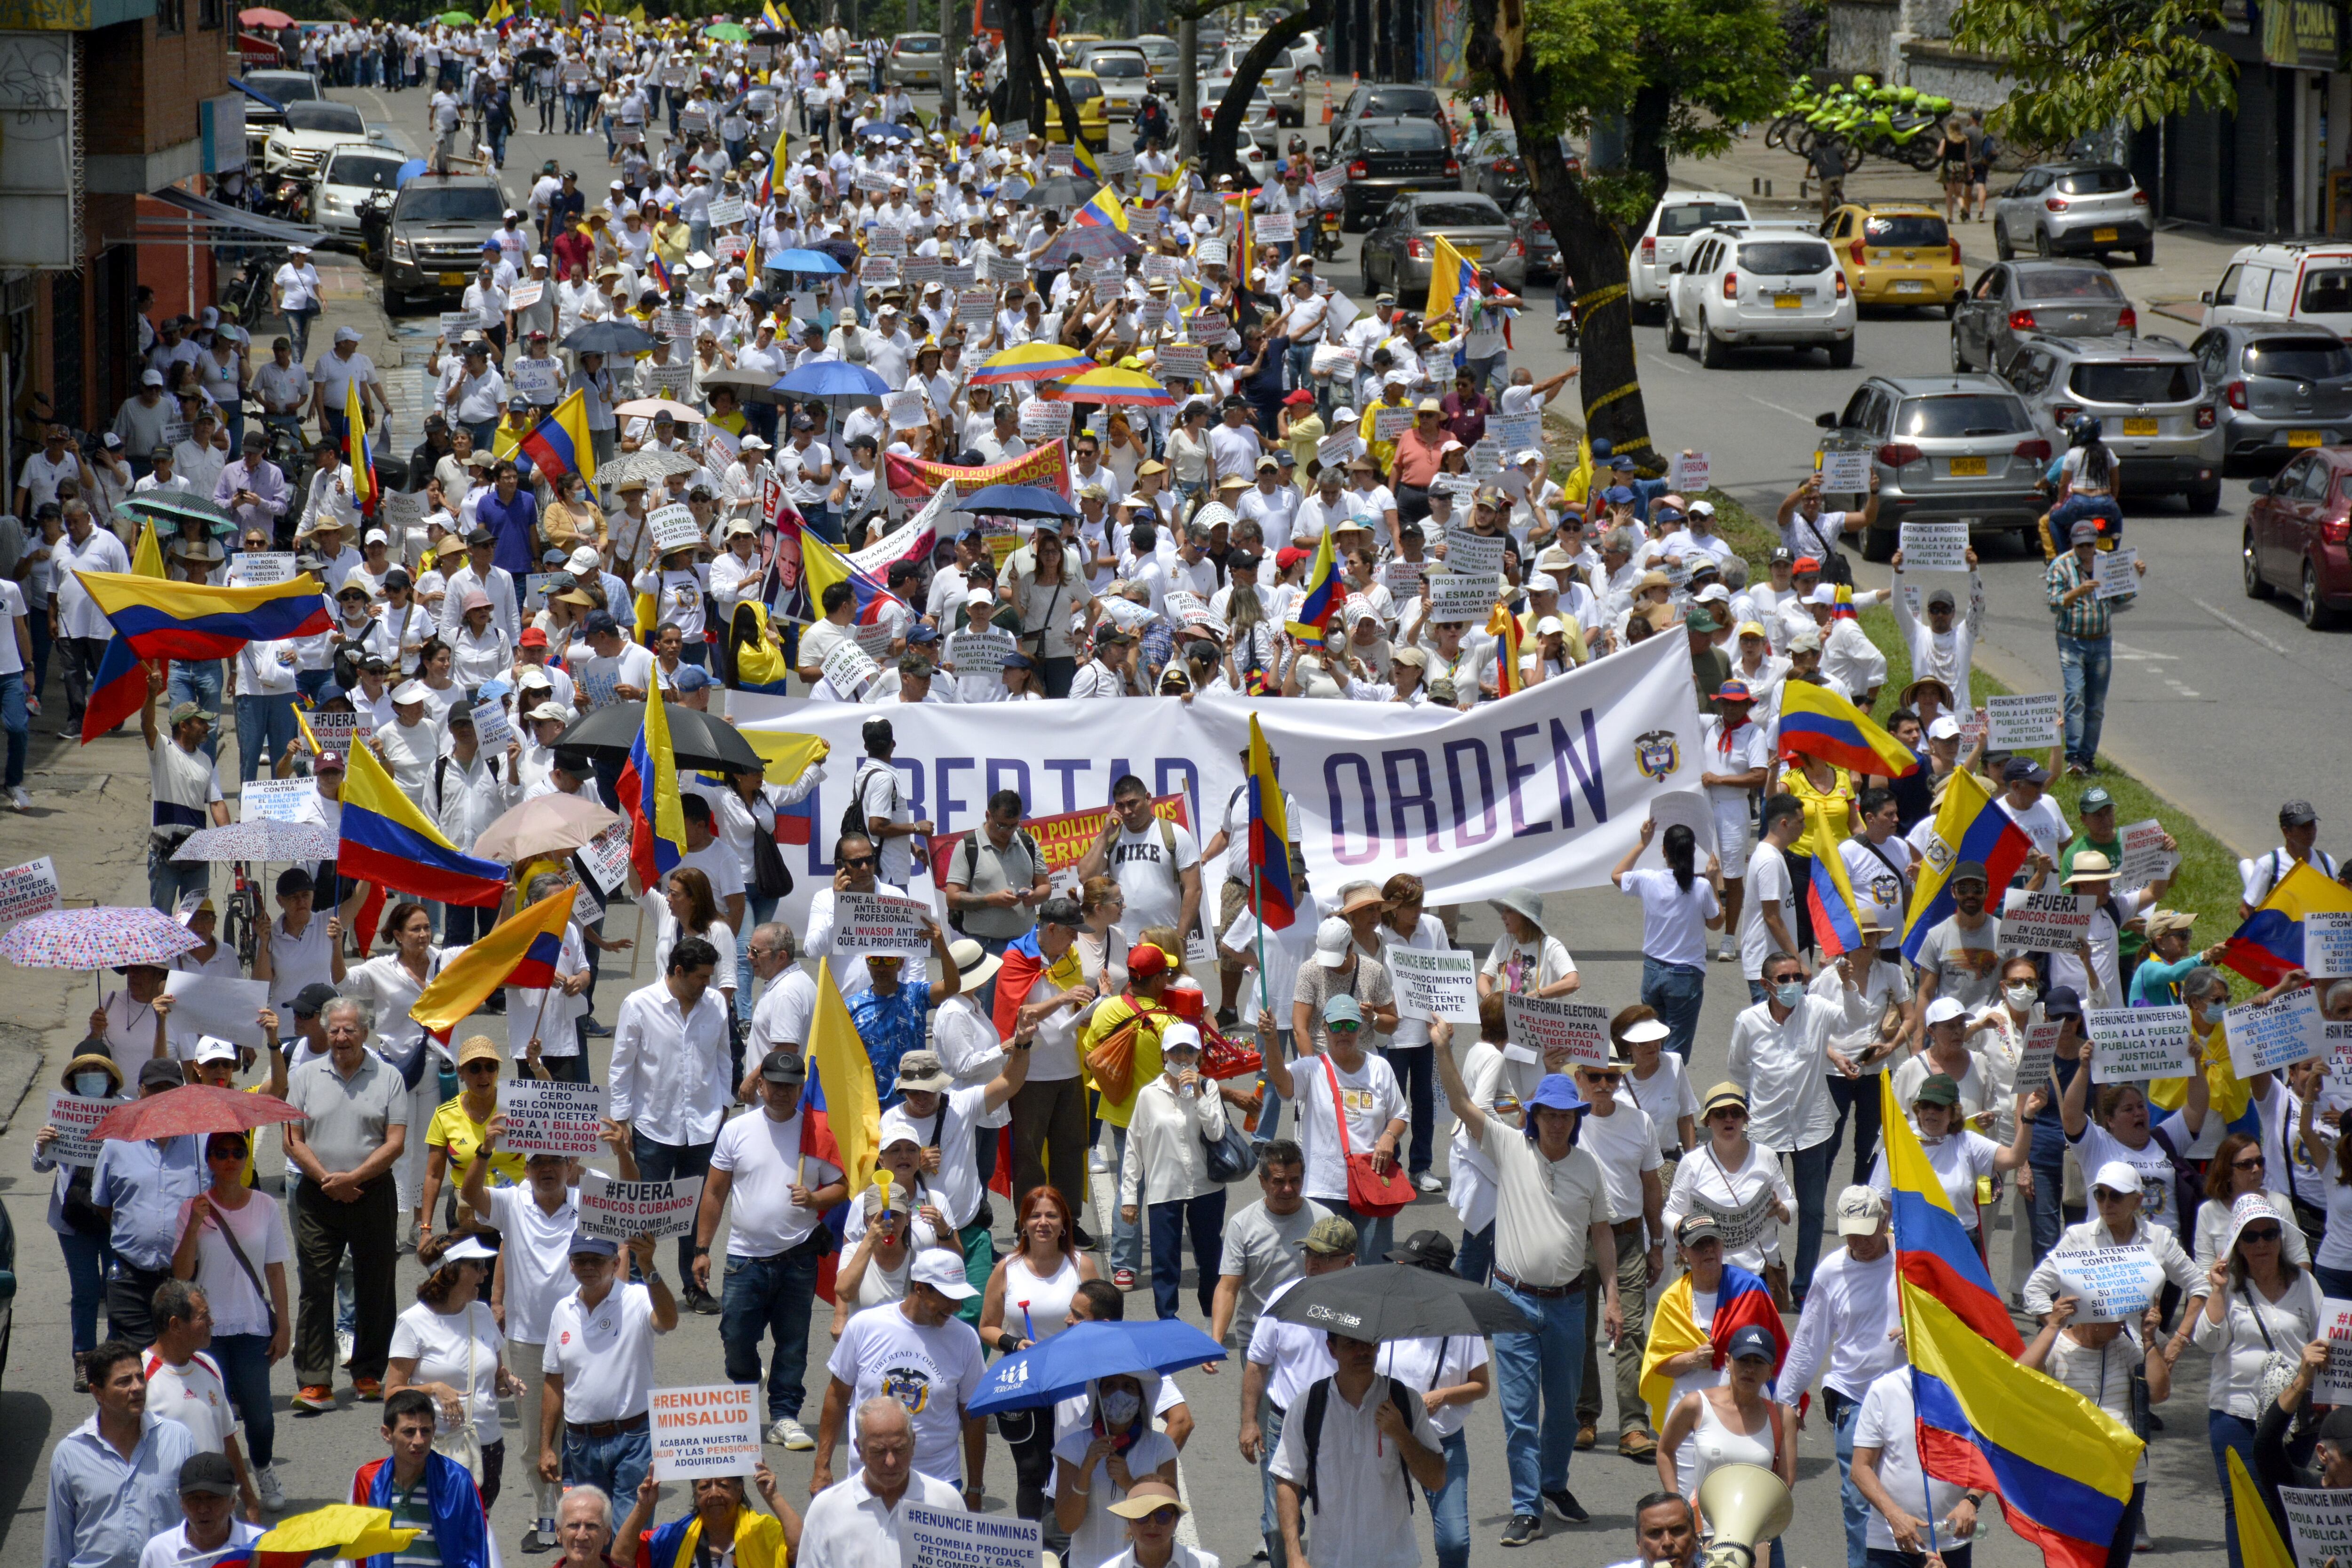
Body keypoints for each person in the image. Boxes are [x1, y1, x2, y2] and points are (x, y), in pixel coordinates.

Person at [1431, 1023, 1619, 1543]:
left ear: (1574, 1120)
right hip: (1512, 1301)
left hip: (1568, 1305)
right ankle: (1526, 1505)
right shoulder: (1509, 1147)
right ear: (1533, 1116)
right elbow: (1462, 1102)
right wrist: (1443, 1049)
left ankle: (1553, 1485)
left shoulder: (1588, 1167)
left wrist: (1613, 1297)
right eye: (1548, 1114)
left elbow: (1601, 1234)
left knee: (1560, 1411)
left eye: (1565, 1116)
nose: (1557, 1123)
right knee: (1518, 1415)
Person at [696, 1048, 848, 1454]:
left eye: (791, 1086)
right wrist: (702, 1248)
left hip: (798, 1256)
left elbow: (842, 1186)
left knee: (793, 1342)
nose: (782, 1092)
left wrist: (815, 1199)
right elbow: (714, 1191)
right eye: (775, 1084)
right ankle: (745, 1383)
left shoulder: (816, 1132)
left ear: (801, 1089)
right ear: (760, 1084)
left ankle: (784, 1414)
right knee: (735, 1337)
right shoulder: (737, 1130)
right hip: (745, 1258)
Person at [283, 994, 406, 1411]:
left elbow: (396, 1142)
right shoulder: (303, 1076)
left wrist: (354, 1178)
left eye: (349, 1029)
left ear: (365, 1032)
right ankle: (315, 1380)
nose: (340, 1037)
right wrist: (327, 1180)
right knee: (316, 1283)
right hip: (317, 1193)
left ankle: (369, 1371)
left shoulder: (388, 1077)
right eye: (333, 1029)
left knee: (376, 1281)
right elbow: (292, 1138)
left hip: (371, 1191)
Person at [2194, 1194, 2324, 1568]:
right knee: (2245, 1509)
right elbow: (2208, 1340)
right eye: (2250, 1237)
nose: (2262, 1243)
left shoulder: (2304, 1283)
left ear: (2282, 1238)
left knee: (2290, 1506)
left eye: (2269, 1234)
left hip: (2294, 1418)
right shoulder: (2229, 1285)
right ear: (2238, 1244)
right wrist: (2217, 1290)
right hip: (2236, 1415)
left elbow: (2325, 1340)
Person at [168, 1128, 289, 1514]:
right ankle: (225, 1485)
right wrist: (193, 1225)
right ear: (210, 1160)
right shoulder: (193, 1208)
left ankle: (265, 1466)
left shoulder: (266, 1205)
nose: (231, 1159)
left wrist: (284, 1325)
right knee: (212, 1413)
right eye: (222, 1153)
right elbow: (182, 1273)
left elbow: (275, 1269)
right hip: (208, 1331)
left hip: (252, 1324)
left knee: (260, 1414)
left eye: (239, 1151)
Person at [812, 1249, 988, 1505]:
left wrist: (975, 1488)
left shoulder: (965, 1340)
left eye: (960, 1298)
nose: (957, 1307)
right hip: (869, 1477)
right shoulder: (865, 1326)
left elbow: (974, 1417)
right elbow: (838, 1397)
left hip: (937, 1481)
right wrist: (822, 1466)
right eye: (949, 1297)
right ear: (920, 1289)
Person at [610, 935, 731, 1304]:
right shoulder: (639, 1004)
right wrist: (621, 1121)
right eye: (701, 977)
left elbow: (725, 1057)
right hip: (653, 1124)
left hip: (704, 1124)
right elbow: (621, 1065)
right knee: (642, 1207)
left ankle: (694, 1284)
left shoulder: (715, 1006)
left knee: (695, 1211)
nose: (707, 985)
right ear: (679, 972)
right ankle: (633, 1285)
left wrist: (724, 1104)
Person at [1269, 1319, 1447, 1568]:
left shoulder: (1406, 1402)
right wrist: (1294, 1555)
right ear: (1332, 1349)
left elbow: (1436, 1479)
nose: (1363, 1351)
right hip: (1329, 1561)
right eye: (1352, 1343)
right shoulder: (1307, 1407)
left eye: (1369, 1343)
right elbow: (1288, 1480)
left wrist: (1401, 1434)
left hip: (1396, 1560)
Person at [1727, 951, 1852, 1304]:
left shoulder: (1817, 1010)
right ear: (1766, 985)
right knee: (1763, 1208)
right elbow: (1737, 1069)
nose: (1793, 984)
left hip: (1812, 1126)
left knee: (1812, 1209)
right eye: (1784, 979)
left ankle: (1804, 1287)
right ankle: (1768, 1280)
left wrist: (1849, 986)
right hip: (1767, 1129)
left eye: (1798, 976)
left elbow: (1853, 1020)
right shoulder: (1749, 1021)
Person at [2019, 1290, 2170, 1568]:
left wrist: (2149, 1340)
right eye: (2115, 1317)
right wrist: (2052, 1325)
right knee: (2071, 1561)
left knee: (2115, 1561)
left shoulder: (2122, 1346)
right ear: (2092, 1317)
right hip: (2074, 1478)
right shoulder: (2057, 1348)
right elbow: (2020, 1380)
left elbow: (2159, 1393)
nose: (2123, 1323)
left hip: (2127, 1475)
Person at [1240, 1214, 1357, 1568]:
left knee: (1337, 1524)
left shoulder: (1363, 1308)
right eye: (1309, 1253)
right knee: (1278, 1527)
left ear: (1349, 1261)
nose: (1313, 1262)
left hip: (1340, 1425)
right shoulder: (1282, 1299)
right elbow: (1257, 1364)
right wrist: (1249, 1421)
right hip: (1285, 1425)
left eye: (1323, 1256)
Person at [978, 1185, 1099, 1522]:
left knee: (1072, 1468)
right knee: (1031, 1472)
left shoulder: (1082, 1266)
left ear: (1065, 1224)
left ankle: (1069, 1545)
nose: (1042, 1222)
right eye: (1034, 1215)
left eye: (1051, 1215)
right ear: (1023, 1224)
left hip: (1072, 1383)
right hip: (1024, 1384)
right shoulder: (1007, 1268)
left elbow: (1104, 1322)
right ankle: (1031, 1550)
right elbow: (987, 1326)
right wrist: (1013, 1343)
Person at [1262, 991, 1408, 1265]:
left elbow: (1400, 1115)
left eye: (1351, 1025)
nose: (1344, 1033)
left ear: (1361, 1028)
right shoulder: (1310, 1069)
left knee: (1375, 1269)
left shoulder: (1380, 1068)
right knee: (1326, 1270)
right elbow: (1282, 1082)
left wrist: (1389, 1137)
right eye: (1337, 1026)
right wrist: (1271, 1040)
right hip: (1325, 1188)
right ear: (1325, 1028)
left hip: (1372, 1185)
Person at [1376, 1230, 1492, 1568]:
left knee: (1454, 1541)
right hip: (1385, 1440)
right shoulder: (1386, 1311)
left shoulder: (1460, 1323)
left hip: (1442, 1442)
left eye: (1409, 1265)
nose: (1401, 1269)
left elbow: (1481, 1385)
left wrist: (1443, 1395)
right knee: (1379, 1539)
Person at [540, 1229, 680, 1505]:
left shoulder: (638, 1298)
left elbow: (669, 1321)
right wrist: (545, 1447)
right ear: (571, 1265)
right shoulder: (562, 1310)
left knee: (629, 1536)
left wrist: (648, 1267)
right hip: (581, 1444)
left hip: (635, 1439)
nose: (588, 1267)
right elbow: (554, 1382)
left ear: (616, 1264)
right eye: (581, 1260)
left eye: (597, 1260)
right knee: (595, 1534)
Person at [44, 1341, 198, 1568]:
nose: (137, 1387)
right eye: (124, 1382)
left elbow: (199, 1521)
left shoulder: (178, 1440)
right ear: (97, 1392)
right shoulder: (70, 1455)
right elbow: (58, 1544)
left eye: (140, 1377)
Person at [385, 1235, 512, 1509]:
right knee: (438, 1528)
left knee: (479, 1526)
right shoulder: (413, 1322)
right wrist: (433, 1388)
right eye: (477, 1266)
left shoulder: (482, 1313)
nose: (485, 1272)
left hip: (488, 1443)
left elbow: (498, 1380)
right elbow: (392, 1393)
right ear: (452, 1272)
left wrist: (507, 1383)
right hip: (439, 1447)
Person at [1119, 1021, 1235, 1321]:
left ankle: (1213, 1319)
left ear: (1198, 1056)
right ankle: (1168, 1323)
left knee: (1210, 1258)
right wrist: (1129, 1196)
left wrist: (1197, 1095)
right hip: (1164, 1188)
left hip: (1206, 1186)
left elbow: (1216, 1134)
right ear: (1163, 1056)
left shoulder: (1207, 1089)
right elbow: (1134, 1146)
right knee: (1165, 1262)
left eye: (1189, 1051)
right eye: (1176, 1051)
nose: (1183, 1058)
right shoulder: (1148, 1095)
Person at [88, 1058, 206, 1350]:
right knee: (138, 1358)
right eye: (156, 1089)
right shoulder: (116, 1144)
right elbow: (103, 1203)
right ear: (141, 1091)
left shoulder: (202, 1143)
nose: (163, 1096)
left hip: (184, 1278)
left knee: (180, 1355)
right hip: (130, 1276)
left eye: (171, 1089)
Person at [1655, 1324, 1794, 1551]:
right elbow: (1665, 1450)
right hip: (1703, 1531)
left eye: (1759, 1362)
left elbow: (1785, 1481)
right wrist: (1677, 1505)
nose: (1750, 1369)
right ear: (1728, 1362)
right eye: (1743, 1360)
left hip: (1757, 1535)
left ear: (1772, 1369)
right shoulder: (1696, 1404)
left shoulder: (1782, 1416)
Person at [139, 1281, 262, 1524]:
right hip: (170, 1517)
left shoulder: (208, 1366)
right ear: (176, 1325)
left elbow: (227, 1439)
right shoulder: (141, 1380)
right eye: (203, 1317)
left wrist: (249, 1500)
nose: (212, 1322)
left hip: (219, 1514)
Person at [797, 1397, 964, 1568]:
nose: (891, 1462)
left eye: (900, 1450)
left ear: (913, 1443)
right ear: (859, 1449)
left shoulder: (947, 1502)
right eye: (879, 1452)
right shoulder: (826, 1509)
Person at [1850, 1363, 1981, 1568]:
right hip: (1890, 1543)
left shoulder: (1971, 1392)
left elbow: (1990, 1459)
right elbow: (1860, 1469)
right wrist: (1895, 1516)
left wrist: (1971, 1501)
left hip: (1951, 1544)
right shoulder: (1885, 1390)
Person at [1612, 819, 1723, 1060]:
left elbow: (1617, 875)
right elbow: (1717, 923)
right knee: (1676, 1051)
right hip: (1686, 976)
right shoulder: (1702, 886)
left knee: (1652, 1043)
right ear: (1693, 852)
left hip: (1653, 971)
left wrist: (1642, 843)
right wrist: (1714, 881)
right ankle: (1670, 1092)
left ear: (1664, 851)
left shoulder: (1649, 880)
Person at [350, 1386, 497, 1568]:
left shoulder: (457, 1481)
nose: (419, 1441)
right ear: (387, 1434)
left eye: (426, 1431)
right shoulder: (369, 1481)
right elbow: (355, 1549)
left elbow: (476, 1548)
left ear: (434, 1431)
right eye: (409, 1432)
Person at [2045, 518, 2143, 777]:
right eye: (2081, 546)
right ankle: (2074, 756)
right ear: (2074, 545)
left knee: (2096, 704)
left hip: (2100, 640)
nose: (2087, 550)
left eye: (2090, 544)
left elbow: (2120, 598)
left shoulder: (2106, 562)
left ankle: (2088, 758)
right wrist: (2078, 591)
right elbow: (2055, 604)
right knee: (2075, 694)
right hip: (2072, 640)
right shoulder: (2061, 566)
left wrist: (2134, 577)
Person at [1053, 1372, 1181, 1568]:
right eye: (1110, 1386)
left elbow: (1169, 1519)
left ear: (1141, 1398)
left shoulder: (1161, 1447)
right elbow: (1068, 1524)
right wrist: (1086, 1470)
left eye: (1128, 1387)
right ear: (1098, 1396)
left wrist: (1130, 1484)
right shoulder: (1073, 1448)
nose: (1119, 1394)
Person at [134, 1452, 263, 1568]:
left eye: (213, 1498)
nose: (203, 1509)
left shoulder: (261, 1545)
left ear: (233, 1502)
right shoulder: (158, 1552)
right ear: (182, 1503)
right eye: (194, 1499)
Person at [1100, 1480, 1216, 1568]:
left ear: (1176, 1521)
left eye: (1163, 1516)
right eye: (1142, 1516)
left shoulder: (1206, 1565)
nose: (1152, 1524)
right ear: (1129, 1521)